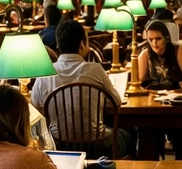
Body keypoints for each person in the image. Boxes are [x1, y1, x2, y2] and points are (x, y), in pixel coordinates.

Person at [30, 21, 133, 158]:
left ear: (58, 44)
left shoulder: (45, 74)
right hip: (97, 143)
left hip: (58, 145)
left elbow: (36, 106)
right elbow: (116, 102)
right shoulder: (95, 70)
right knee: (129, 134)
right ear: (81, 44)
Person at [132, 20, 182, 159]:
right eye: (150, 40)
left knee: (179, 136)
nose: (154, 44)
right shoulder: (145, 55)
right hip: (152, 107)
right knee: (147, 134)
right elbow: (137, 84)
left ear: (166, 38)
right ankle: (149, 168)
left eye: (158, 39)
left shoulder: (178, 50)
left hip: (177, 105)